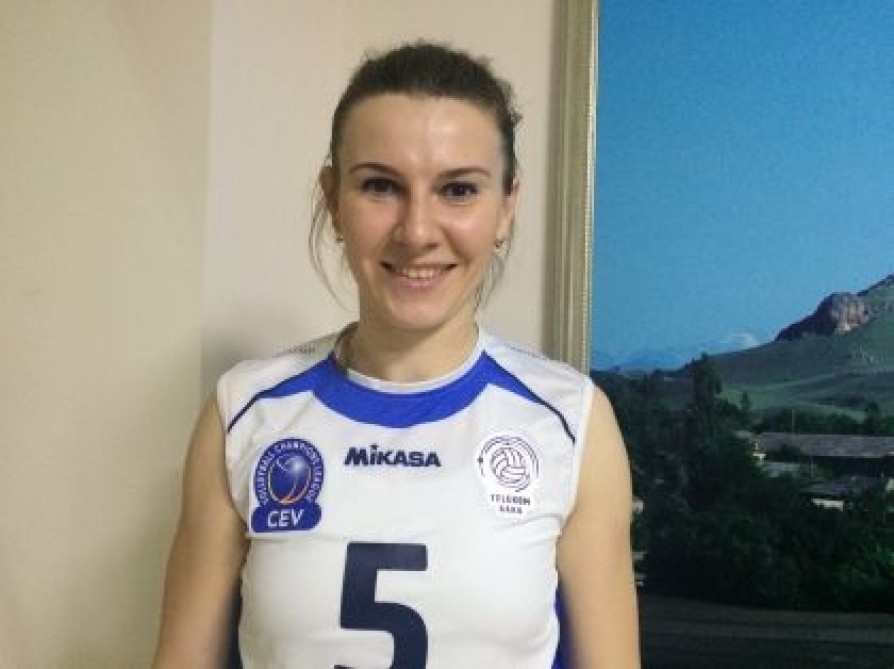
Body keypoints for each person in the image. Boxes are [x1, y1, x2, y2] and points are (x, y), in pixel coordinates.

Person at [152, 41, 640, 669]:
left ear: (506, 207)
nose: (416, 231)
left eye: (458, 190)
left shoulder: (572, 422)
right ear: (333, 200)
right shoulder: (244, 412)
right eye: (380, 186)